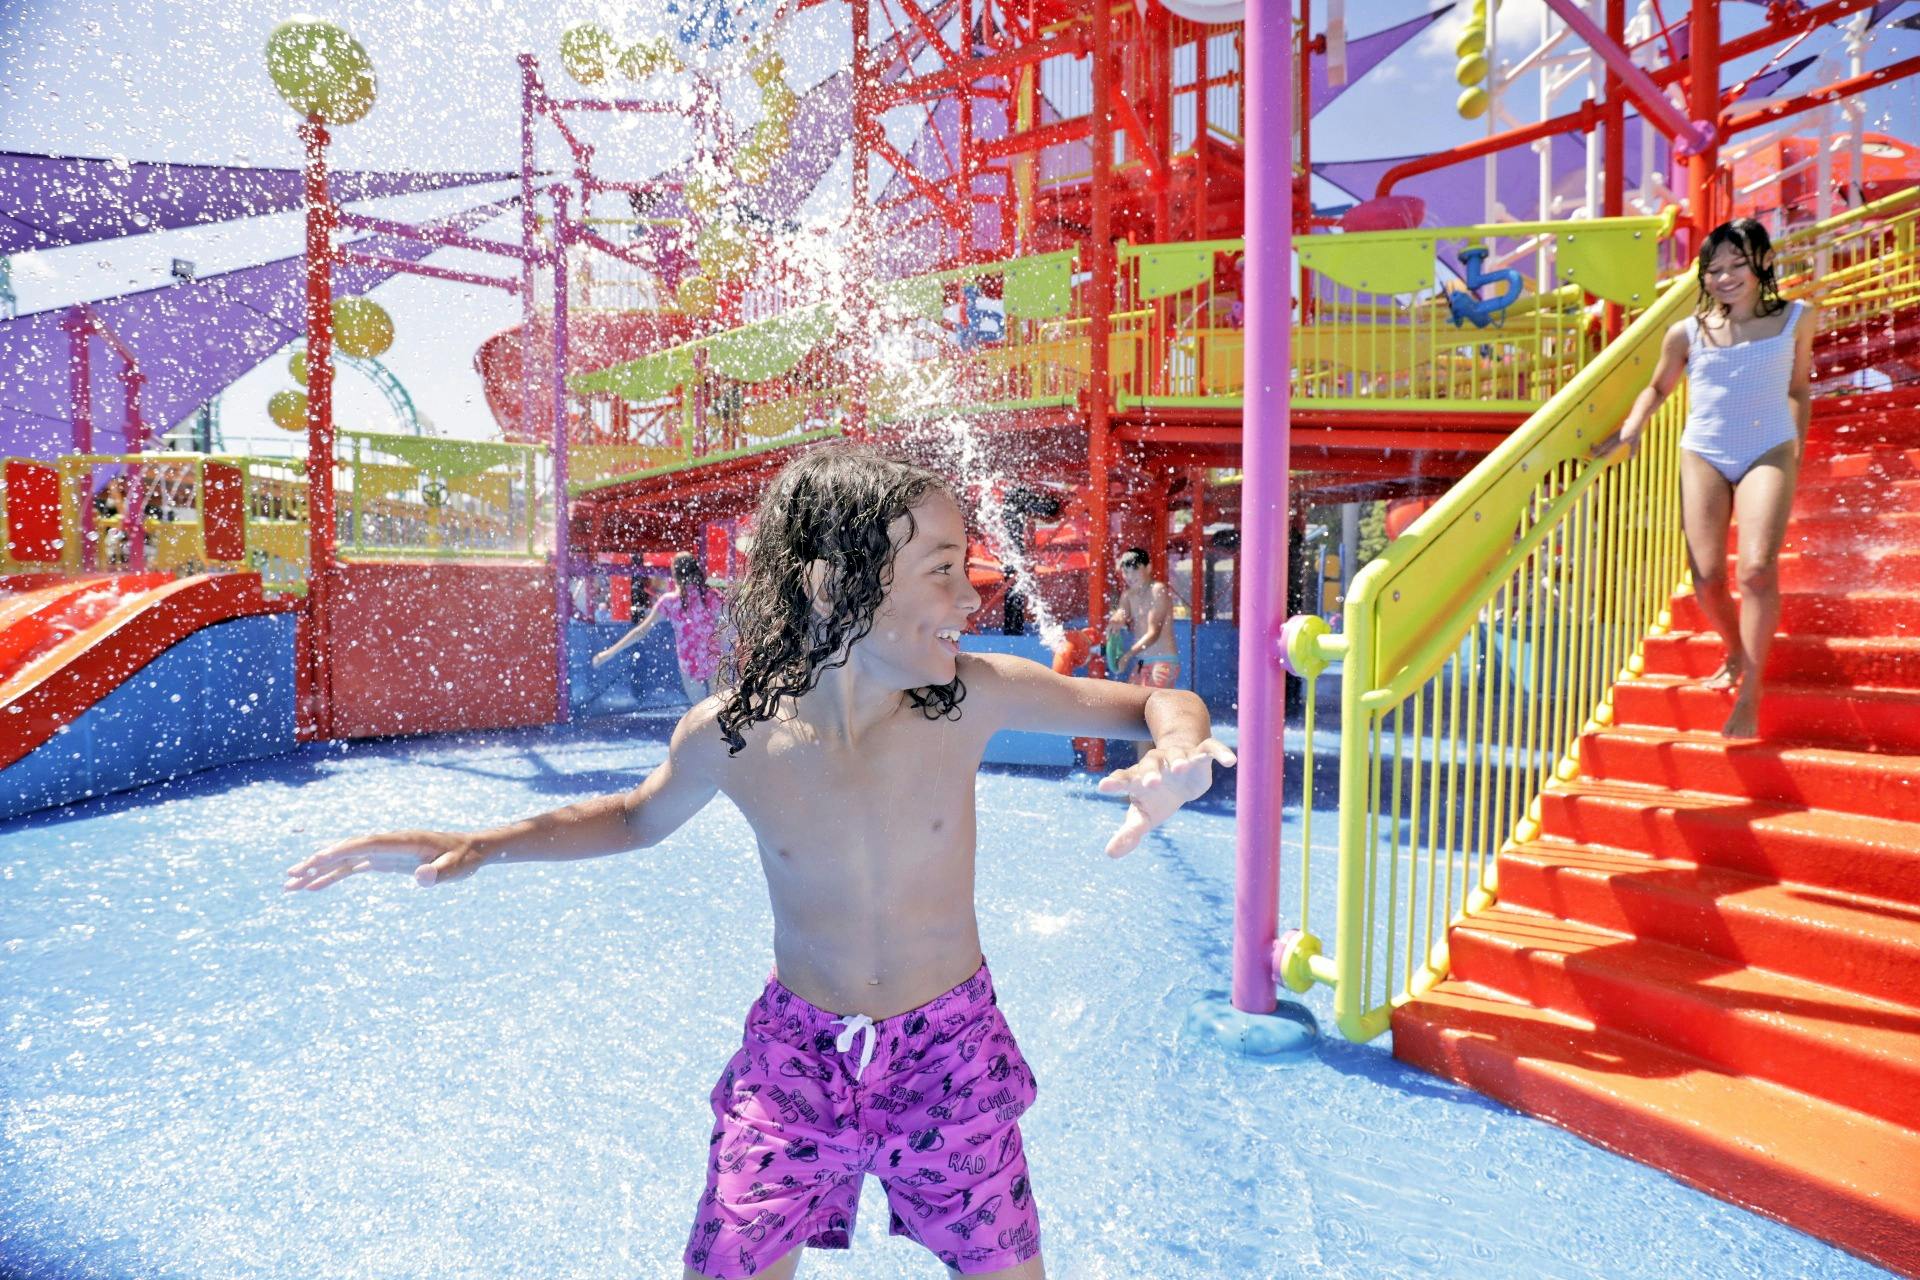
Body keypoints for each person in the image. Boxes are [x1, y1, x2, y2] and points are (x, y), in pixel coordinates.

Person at [285, 446, 1235, 1279]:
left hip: (950, 1053)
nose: (971, 595)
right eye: (942, 570)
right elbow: (631, 818)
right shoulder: (733, 734)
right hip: (795, 1063)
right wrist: (483, 843)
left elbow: (1156, 704)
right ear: (832, 584)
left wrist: (1180, 753)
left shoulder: (971, 697)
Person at [1594, 218, 1817, 739]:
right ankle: (1735, 649)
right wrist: (1631, 429)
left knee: (1756, 570)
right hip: (1704, 453)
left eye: (1738, 264)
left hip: (1769, 448)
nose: (1725, 277)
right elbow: (1657, 388)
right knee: (1707, 577)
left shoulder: (1798, 318)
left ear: (1764, 262)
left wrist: (1797, 443)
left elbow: (1798, 388)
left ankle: (1752, 689)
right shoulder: (1686, 332)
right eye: (1714, 269)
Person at [593, 551, 727, 704]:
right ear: (697, 570)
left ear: (675, 575)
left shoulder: (670, 602)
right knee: (721, 709)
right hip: (714, 659)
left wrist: (609, 653)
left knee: (700, 712)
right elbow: (732, 620)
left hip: (690, 664)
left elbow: (640, 632)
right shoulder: (711, 596)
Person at [1108, 547, 1180, 689]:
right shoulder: (1128, 595)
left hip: (1163, 660)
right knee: (1131, 699)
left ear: (1148, 568)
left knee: (1150, 698)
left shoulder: (1158, 590)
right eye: (1126, 571)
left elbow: (1154, 633)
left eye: (1135, 570)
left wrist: (1127, 655)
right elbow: (1122, 613)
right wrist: (1115, 621)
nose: (1130, 576)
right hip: (1142, 661)